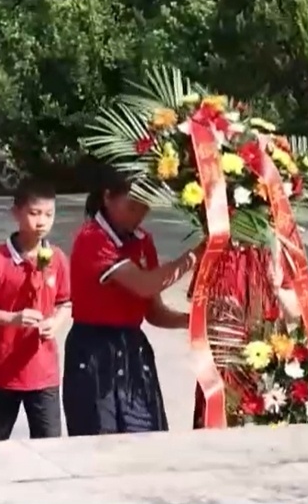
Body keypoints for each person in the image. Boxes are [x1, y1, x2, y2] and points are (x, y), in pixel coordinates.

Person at [62, 167, 194, 437]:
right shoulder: (92, 239)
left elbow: (153, 312)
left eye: (145, 208)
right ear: (108, 197)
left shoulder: (144, 241)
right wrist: (194, 257)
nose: (140, 215)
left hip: (133, 349)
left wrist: (191, 321)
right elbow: (145, 285)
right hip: (94, 350)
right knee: (99, 438)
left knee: (147, 437)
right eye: (133, 206)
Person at [0, 180, 70, 440]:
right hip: (0, 372)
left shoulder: (57, 258)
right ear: (16, 213)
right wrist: (12, 319)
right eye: (34, 213)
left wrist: (56, 323)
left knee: (49, 443)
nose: (42, 222)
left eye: (49, 214)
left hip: (43, 372)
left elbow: (65, 303)